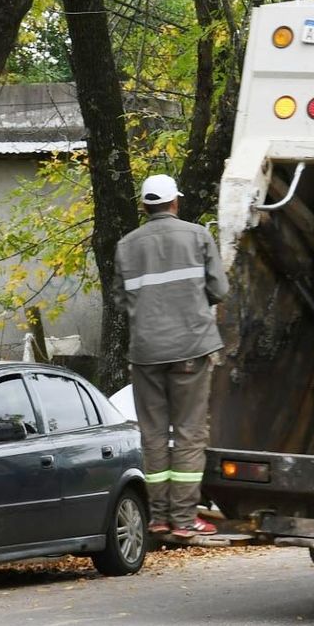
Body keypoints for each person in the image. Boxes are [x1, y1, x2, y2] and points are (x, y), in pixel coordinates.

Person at [113, 174, 229, 539]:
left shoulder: (126, 245)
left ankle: (159, 518)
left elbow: (119, 300)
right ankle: (183, 519)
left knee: (153, 435)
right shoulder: (198, 236)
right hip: (191, 349)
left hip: (146, 353)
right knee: (190, 433)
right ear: (174, 203)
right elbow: (219, 290)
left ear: (146, 206)